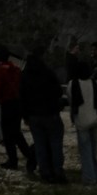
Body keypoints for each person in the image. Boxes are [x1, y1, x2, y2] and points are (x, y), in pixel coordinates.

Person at [19, 45, 66, 184]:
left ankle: (44, 172)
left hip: (34, 115)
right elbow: (58, 91)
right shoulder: (48, 73)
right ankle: (58, 171)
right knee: (56, 144)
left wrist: (25, 116)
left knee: (40, 145)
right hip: (50, 113)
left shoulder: (25, 76)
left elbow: (22, 97)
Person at [67, 52, 97, 186]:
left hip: (81, 121)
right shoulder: (95, 83)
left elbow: (71, 101)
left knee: (85, 151)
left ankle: (89, 178)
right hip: (94, 120)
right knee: (93, 151)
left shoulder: (72, 84)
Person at [0, 45, 28, 170]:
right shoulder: (16, 69)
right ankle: (28, 154)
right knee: (16, 132)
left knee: (7, 133)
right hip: (17, 102)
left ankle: (13, 159)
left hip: (6, 103)